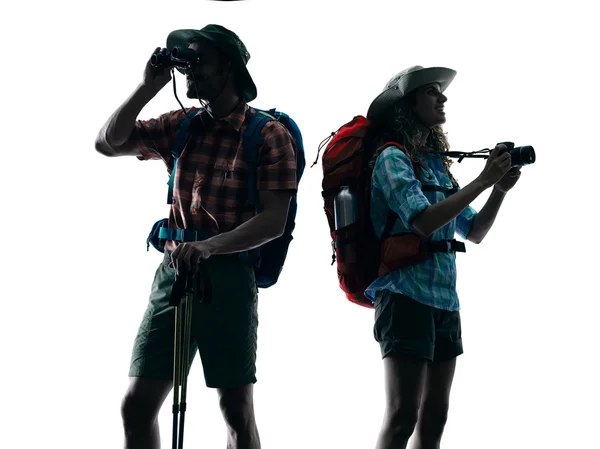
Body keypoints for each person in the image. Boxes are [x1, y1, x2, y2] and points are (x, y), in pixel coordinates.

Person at [94, 24, 297, 449]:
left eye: (199, 62)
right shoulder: (181, 125)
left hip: (228, 275)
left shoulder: (267, 134)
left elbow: (273, 220)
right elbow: (107, 144)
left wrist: (209, 246)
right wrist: (147, 87)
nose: (190, 73)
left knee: (236, 411)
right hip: (173, 274)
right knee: (136, 406)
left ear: (230, 67)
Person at [364, 66, 521, 449]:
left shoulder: (436, 165)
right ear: (407, 104)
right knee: (403, 416)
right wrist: (481, 181)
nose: (443, 98)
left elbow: (475, 232)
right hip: (403, 296)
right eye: (433, 92)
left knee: (434, 419)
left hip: (445, 302)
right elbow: (421, 221)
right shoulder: (391, 159)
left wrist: (498, 189)